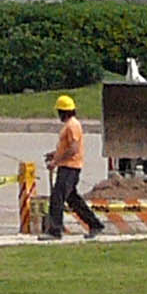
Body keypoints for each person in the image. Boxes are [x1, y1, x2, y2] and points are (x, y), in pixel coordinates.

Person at [41, 94, 103, 241]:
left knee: (57, 197)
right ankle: (95, 224)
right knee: (73, 199)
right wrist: (54, 155)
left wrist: (55, 162)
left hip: (70, 167)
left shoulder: (72, 125)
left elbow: (73, 149)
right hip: (68, 166)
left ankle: (54, 231)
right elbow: (66, 148)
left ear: (63, 111)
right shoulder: (70, 125)